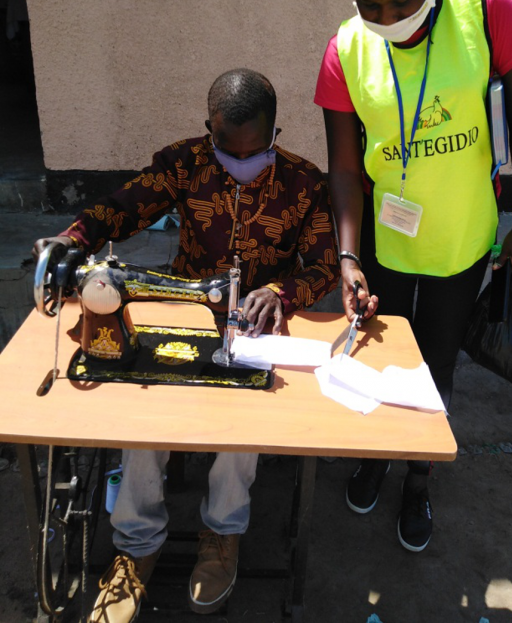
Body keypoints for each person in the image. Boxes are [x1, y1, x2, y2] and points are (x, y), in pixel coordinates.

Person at [33, 68, 339, 620]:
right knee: (145, 407)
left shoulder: (305, 183)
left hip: (257, 324)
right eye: (227, 148)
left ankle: (222, 534)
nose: (240, 162)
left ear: (276, 134)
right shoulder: (183, 164)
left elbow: (321, 268)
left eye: (255, 150)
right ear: (209, 130)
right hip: (186, 312)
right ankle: (135, 545)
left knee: (244, 416)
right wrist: (72, 238)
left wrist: (278, 291)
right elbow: (120, 210)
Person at [315, 0, 512, 553]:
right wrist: (349, 258)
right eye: (370, 6)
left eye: (404, 2)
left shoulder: (485, 10)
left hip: (460, 242)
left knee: (436, 369)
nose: (388, 18)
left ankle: (417, 480)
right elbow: (345, 171)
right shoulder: (345, 50)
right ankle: (377, 456)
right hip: (385, 245)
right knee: (377, 363)